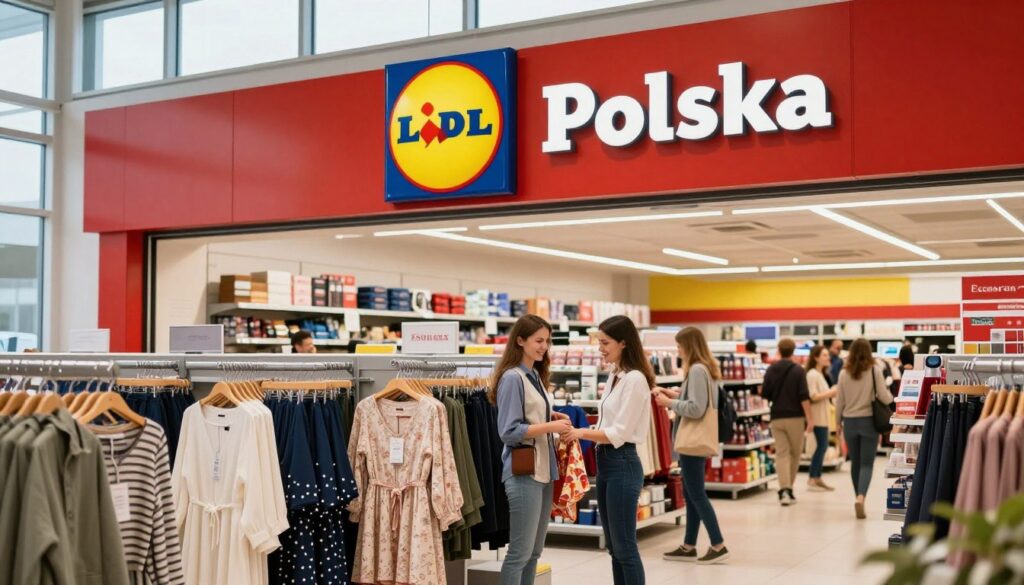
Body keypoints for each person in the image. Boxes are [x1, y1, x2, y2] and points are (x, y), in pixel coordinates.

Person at [565, 315, 653, 585]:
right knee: (614, 547)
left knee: (625, 547)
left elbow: (619, 432)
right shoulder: (615, 374)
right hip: (606, 463)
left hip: (623, 463)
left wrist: (580, 432)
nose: (600, 348)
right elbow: (607, 422)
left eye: (605, 342)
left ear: (623, 343)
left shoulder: (635, 380)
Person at [490, 315, 574, 585]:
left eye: (547, 341)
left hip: (544, 470)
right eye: (539, 341)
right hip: (523, 472)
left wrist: (553, 414)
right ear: (520, 340)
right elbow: (509, 431)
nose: (544, 347)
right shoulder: (512, 378)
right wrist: (550, 426)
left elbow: (533, 414)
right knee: (519, 553)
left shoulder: (535, 375)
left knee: (535, 552)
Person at [654, 327, 729, 565]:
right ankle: (689, 545)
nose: (677, 350)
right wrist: (675, 393)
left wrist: (669, 402)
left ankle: (718, 544)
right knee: (691, 492)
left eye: (679, 346)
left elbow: (696, 409)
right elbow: (700, 401)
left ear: (688, 346)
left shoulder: (697, 369)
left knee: (696, 493)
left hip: (692, 440)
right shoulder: (706, 368)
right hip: (697, 441)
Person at [835, 338, 894, 519]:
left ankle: (857, 497)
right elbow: (884, 397)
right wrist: (893, 399)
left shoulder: (843, 373)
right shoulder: (874, 370)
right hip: (868, 421)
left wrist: (837, 422)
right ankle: (861, 497)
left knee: (855, 462)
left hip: (849, 423)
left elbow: (840, 401)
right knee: (867, 464)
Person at [761, 338, 813, 506]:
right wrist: (810, 419)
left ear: (779, 350)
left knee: (781, 453)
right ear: (793, 351)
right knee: (795, 454)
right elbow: (804, 397)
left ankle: (784, 489)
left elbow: (765, 394)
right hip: (795, 418)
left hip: (776, 417)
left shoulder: (771, 369)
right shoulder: (799, 370)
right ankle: (788, 489)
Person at [805, 345, 838, 491]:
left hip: (823, 416)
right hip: (817, 417)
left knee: (822, 446)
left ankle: (817, 477)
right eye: (824, 355)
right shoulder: (812, 374)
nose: (827, 357)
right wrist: (831, 392)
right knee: (822, 446)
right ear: (816, 357)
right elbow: (812, 396)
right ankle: (813, 477)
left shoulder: (820, 374)